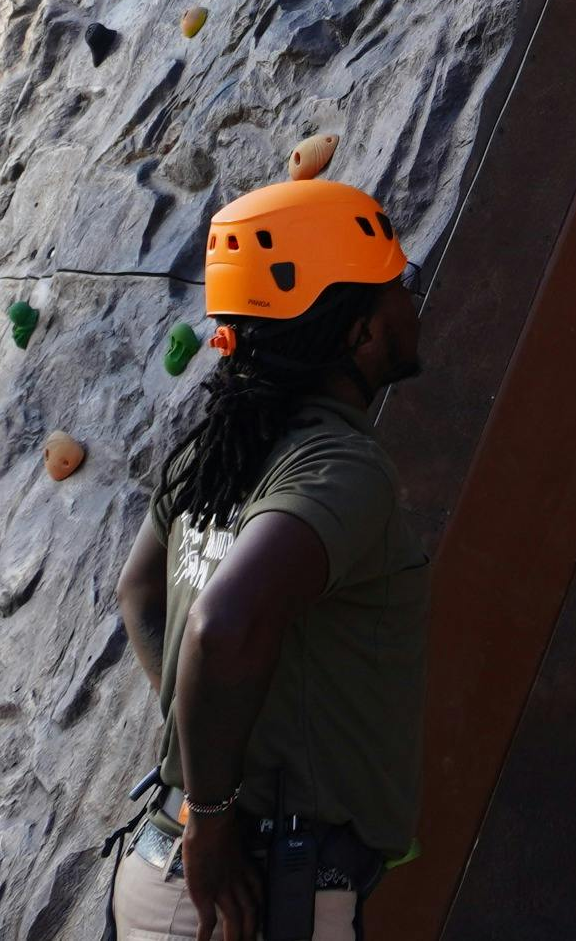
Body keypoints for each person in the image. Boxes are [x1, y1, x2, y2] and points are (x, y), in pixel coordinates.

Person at [110, 178, 430, 941]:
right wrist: (216, 820)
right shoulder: (338, 466)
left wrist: (201, 760)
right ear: (357, 333)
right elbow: (221, 625)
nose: (409, 302)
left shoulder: (219, 450)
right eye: (395, 286)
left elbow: (141, 595)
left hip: (165, 883)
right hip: (250, 898)